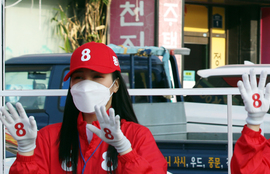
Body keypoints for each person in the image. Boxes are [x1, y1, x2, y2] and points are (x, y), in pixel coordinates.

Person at [1, 42, 168, 173]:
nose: (86, 85)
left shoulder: (137, 136)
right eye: (78, 77)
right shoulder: (48, 138)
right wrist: (26, 152)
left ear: (116, 85)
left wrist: (125, 150)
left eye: (97, 77)